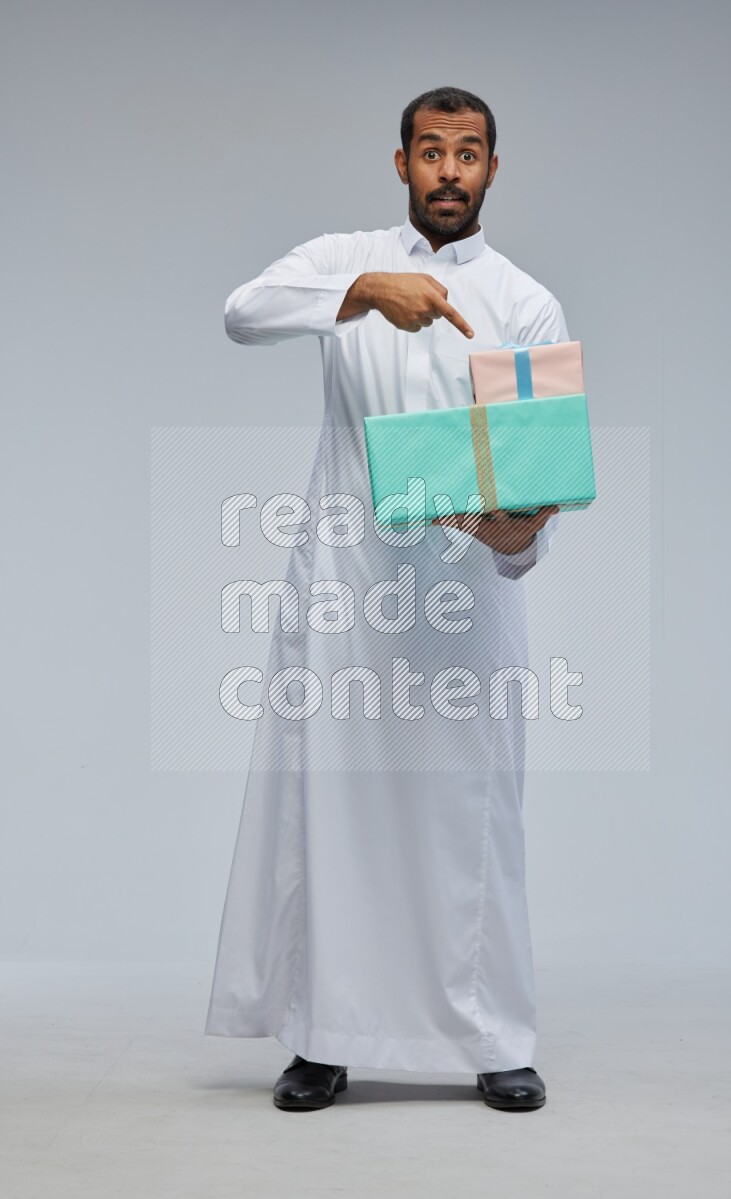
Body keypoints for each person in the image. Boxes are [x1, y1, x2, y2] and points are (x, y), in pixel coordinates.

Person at [205, 85, 570, 1113]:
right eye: (429, 151)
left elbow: (536, 455)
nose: (448, 170)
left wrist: (520, 532)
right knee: (335, 810)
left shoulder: (524, 300)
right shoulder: (339, 259)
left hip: (463, 599)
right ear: (399, 162)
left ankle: (495, 1033)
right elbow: (240, 314)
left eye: (467, 153)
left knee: (475, 813)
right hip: (349, 595)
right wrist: (365, 292)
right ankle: (322, 1036)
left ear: (493, 169)